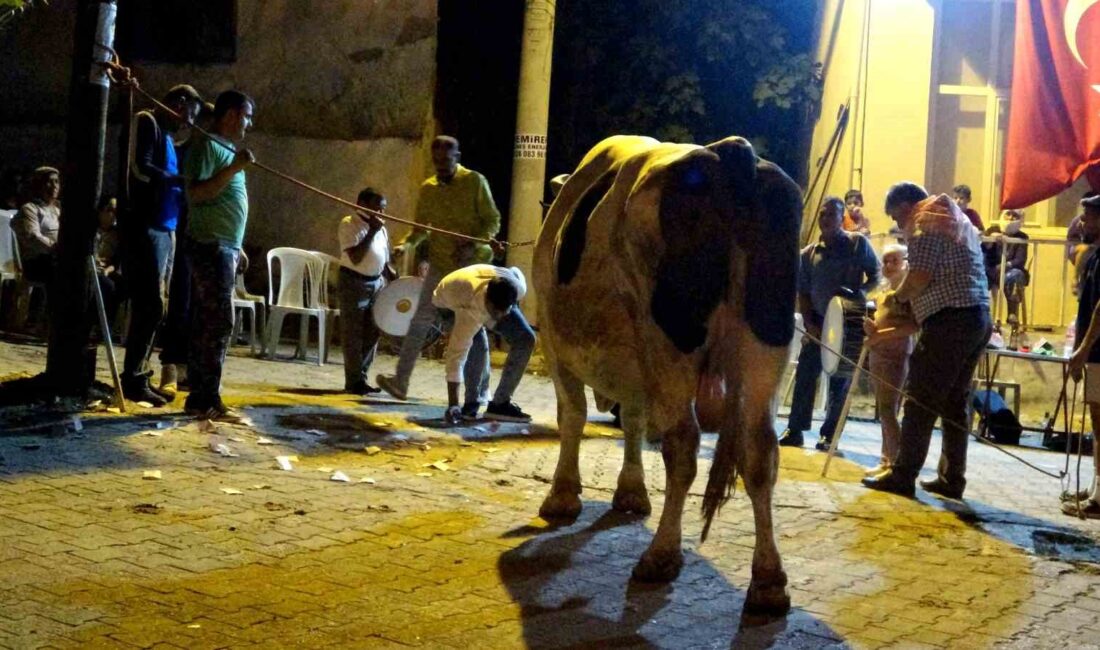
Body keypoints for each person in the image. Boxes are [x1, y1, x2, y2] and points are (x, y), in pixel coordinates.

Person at [862, 182, 992, 499]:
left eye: (895, 217)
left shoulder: (924, 221)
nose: (898, 226)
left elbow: (919, 278)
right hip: (977, 318)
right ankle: (951, 479)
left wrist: (895, 298)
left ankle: (903, 474)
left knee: (918, 399)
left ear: (906, 206)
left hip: (950, 322)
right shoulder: (954, 217)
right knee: (953, 403)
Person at [376, 136, 502, 401]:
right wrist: (404, 246)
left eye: (446, 159)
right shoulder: (429, 189)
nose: (441, 165)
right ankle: (401, 382)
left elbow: (492, 221)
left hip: (471, 266)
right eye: (437, 161)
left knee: (473, 329)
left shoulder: (474, 182)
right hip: (441, 265)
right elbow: (420, 230)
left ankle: (481, 391)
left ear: (457, 156)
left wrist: (471, 243)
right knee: (420, 321)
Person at [120, 84, 203, 406]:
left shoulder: (170, 138)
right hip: (146, 225)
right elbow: (140, 169)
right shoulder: (147, 121)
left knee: (160, 307)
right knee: (150, 305)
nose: (189, 123)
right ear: (178, 104)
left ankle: (140, 375)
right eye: (189, 115)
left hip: (166, 228)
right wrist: (177, 182)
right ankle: (133, 378)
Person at [779, 196, 881, 451]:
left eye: (831, 215)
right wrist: (810, 323)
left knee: (841, 380)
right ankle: (796, 429)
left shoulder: (858, 244)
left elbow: (876, 274)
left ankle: (829, 436)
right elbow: (802, 291)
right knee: (806, 374)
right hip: (818, 322)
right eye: (822, 215)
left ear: (841, 217)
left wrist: (861, 293)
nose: (825, 219)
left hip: (849, 322)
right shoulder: (808, 254)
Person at [181, 90, 255, 422]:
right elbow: (197, 194)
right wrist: (236, 166)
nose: (249, 123)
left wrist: (237, 245)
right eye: (246, 115)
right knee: (218, 320)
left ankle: (200, 392)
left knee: (210, 320)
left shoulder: (226, 149)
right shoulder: (207, 144)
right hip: (209, 244)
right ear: (231, 115)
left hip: (224, 245)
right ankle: (205, 397)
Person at [158, 100, 215, 398]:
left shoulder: (217, 156)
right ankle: (170, 365)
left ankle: (189, 369)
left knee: (201, 306)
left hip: (208, 236)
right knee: (179, 299)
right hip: (183, 230)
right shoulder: (181, 151)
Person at [431, 263, 535, 423]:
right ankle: (470, 404)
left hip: (483, 287)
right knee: (477, 347)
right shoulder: (471, 310)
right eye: (496, 312)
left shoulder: (518, 288)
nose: (500, 317)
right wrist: (453, 404)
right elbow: (455, 356)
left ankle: (500, 404)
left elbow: (515, 271)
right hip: (448, 302)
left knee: (526, 338)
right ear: (489, 303)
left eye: (505, 311)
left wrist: (506, 315)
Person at [861, 244, 917, 476]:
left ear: (905, 263)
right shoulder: (883, 294)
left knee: (889, 409)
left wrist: (880, 335)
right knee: (884, 408)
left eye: (894, 260)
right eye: (885, 261)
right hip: (879, 353)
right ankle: (886, 459)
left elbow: (911, 325)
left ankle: (893, 461)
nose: (889, 265)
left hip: (895, 354)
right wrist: (872, 328)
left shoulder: (907, 294)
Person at [1065, 193, 1100, 519]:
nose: (1082, 222)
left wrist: (1083, 348)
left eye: (1088, 217)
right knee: (1096, 420)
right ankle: (1095, 488)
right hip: (1093, 352)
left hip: (1099, 352)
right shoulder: (1094, 256)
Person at [337, 187, 391, 395]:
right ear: (361, 204)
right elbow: (356, 258)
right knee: (353, 334)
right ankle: (353, 381)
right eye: (377, 208)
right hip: (354, 282)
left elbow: (385, 260)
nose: (381, 214)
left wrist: (396, 281)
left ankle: (362, 376)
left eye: (384, 209)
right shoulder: (349, 224)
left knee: (373, 331)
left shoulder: (381, 228)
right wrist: (372, 231)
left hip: (377, 283)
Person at [11, 166, 61, 284]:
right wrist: (58, 249)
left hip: (57, 258)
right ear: (38, 185)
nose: (54, 186)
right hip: (38, 262)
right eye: (49, 181)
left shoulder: (58, 209)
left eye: (57, 181)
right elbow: (33, 238)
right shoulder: (30, 209)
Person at [93, 197, 125, 328]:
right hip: (91, 268)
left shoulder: (117, 235)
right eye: (110, 210)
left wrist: (107, 270)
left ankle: (105, 329)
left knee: (119, 286)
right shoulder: (93, 231)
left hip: (106, 271)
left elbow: (116, 261)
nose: (113, 214)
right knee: (108, 286)